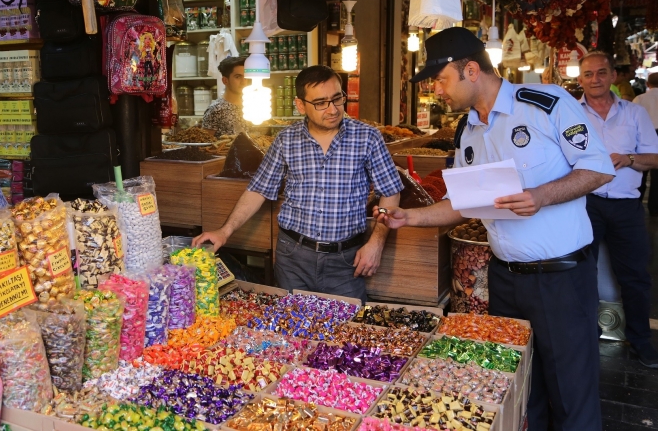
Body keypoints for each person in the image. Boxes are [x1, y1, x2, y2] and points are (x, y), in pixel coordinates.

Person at [375, 27, 615, 431]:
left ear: (471, 70)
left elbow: (598, 168)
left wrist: (542, 195)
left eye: (440, 79)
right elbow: (464, 203)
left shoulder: (545, 104)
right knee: (521, 388)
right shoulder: (467, 131)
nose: (437, 90)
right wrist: (412, 218)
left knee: (572, 394)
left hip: (561, 277)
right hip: (504, 278)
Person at [194, 65, 403, 303]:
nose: (333, 109)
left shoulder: (368, 137)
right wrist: (225, 230)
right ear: (301, 105)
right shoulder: (286, 140)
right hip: (292, 256)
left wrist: (376, 243)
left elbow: (391, 192)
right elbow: (258, 190)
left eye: (337, 98)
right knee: (289, 331)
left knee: (347, 331)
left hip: (345, 260)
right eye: (321, 103)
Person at [577, 51, 658, 368]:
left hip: (627, 206)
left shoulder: (634, 113)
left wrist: (629, 159)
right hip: (585, 203)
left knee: (636, 276)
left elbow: (655, 157)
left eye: (601, 73)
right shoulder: (571, 113)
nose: (594, 79)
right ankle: (587, 334)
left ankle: (640, 340)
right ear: (580, 79)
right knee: (581, 272)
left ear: (613, 76)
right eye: (588, 74)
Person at [201, 56, 249, 136]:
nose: (244, 82)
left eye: (246, 77)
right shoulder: (216, 110)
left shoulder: (251, 106)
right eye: (238, 77)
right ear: (225, 80)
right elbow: (205, 142)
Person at [636, 72, 658, 215]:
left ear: (648, 84)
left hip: (645, 133)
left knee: (640, 169)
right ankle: (655, 208)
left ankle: (636, 204)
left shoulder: (640, 98)